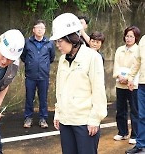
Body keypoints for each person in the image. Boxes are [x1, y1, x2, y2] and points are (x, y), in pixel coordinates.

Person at [51, 13, 107, 154]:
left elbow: (98, 89)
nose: (57, 45)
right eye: (56, 41)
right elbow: (60, 89)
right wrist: (58, 112)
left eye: (60, 41)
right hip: (66, 120)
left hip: (85, 122)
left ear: (72, 38)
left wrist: (95, 118)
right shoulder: (63, 59)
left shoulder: (92, 57)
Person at [21, 20, 55, 128]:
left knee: (43, 98)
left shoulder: (49, 43)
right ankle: (28, 118)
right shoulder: (27, 42)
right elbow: (23, 56)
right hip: (30, 76)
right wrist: (31, 65)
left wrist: (43, 66)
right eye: (38, 27)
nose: (40, 30)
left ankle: (43, 119)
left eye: (42, 28)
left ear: (45, 30)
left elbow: (51, 57)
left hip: (43, 76)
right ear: (33, 30)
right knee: (29, 97)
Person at [113, 26, 140, 145]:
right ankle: (122, 132)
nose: (128, 38)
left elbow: (138, 67)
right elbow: (116, 65)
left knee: (134, 110)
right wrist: (119, 76)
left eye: (131, 36)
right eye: (127, 36)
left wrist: (129, 78)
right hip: (120, 84)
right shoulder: (119, 49)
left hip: (133, 85)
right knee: (120, 109)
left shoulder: (139, 50)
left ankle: (135, 134)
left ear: (136, 38)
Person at [125, 35, 145, 154]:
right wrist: (131, 77)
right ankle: (141, 145)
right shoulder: (143, 39)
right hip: (142, 84)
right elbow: (137, 61)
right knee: (142, 116)